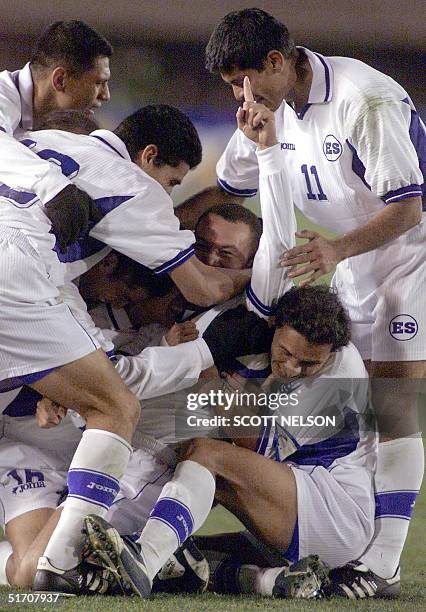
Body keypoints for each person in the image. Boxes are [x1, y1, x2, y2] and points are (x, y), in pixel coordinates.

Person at [205, 7, 425, 597]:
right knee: (359, 414)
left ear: (275, 63)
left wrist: (336, 251)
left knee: (393, 405)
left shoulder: (363, 98)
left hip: (408, 258)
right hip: (346, 262)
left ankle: (381, 562)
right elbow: (234, 185)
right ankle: (350, 536)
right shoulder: (275, 107)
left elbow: (408, 205)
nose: (238, 94)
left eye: (240, 81)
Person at [0, 104, 249, 596]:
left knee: (27, 575)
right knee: (116, 407)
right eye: (172, 181)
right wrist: (259, 282)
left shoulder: (44, 142)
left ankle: (51, 563)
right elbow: (200, 287)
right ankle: (62, 560)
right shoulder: (132, 186)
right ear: (149, 156)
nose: (168, 195)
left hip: (22, 276)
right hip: (16, 276)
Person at [0, 20, 112, 249]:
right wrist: (54, 186)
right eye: (99, 82)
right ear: (60, 79)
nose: (105, 95)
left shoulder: (46, 125)